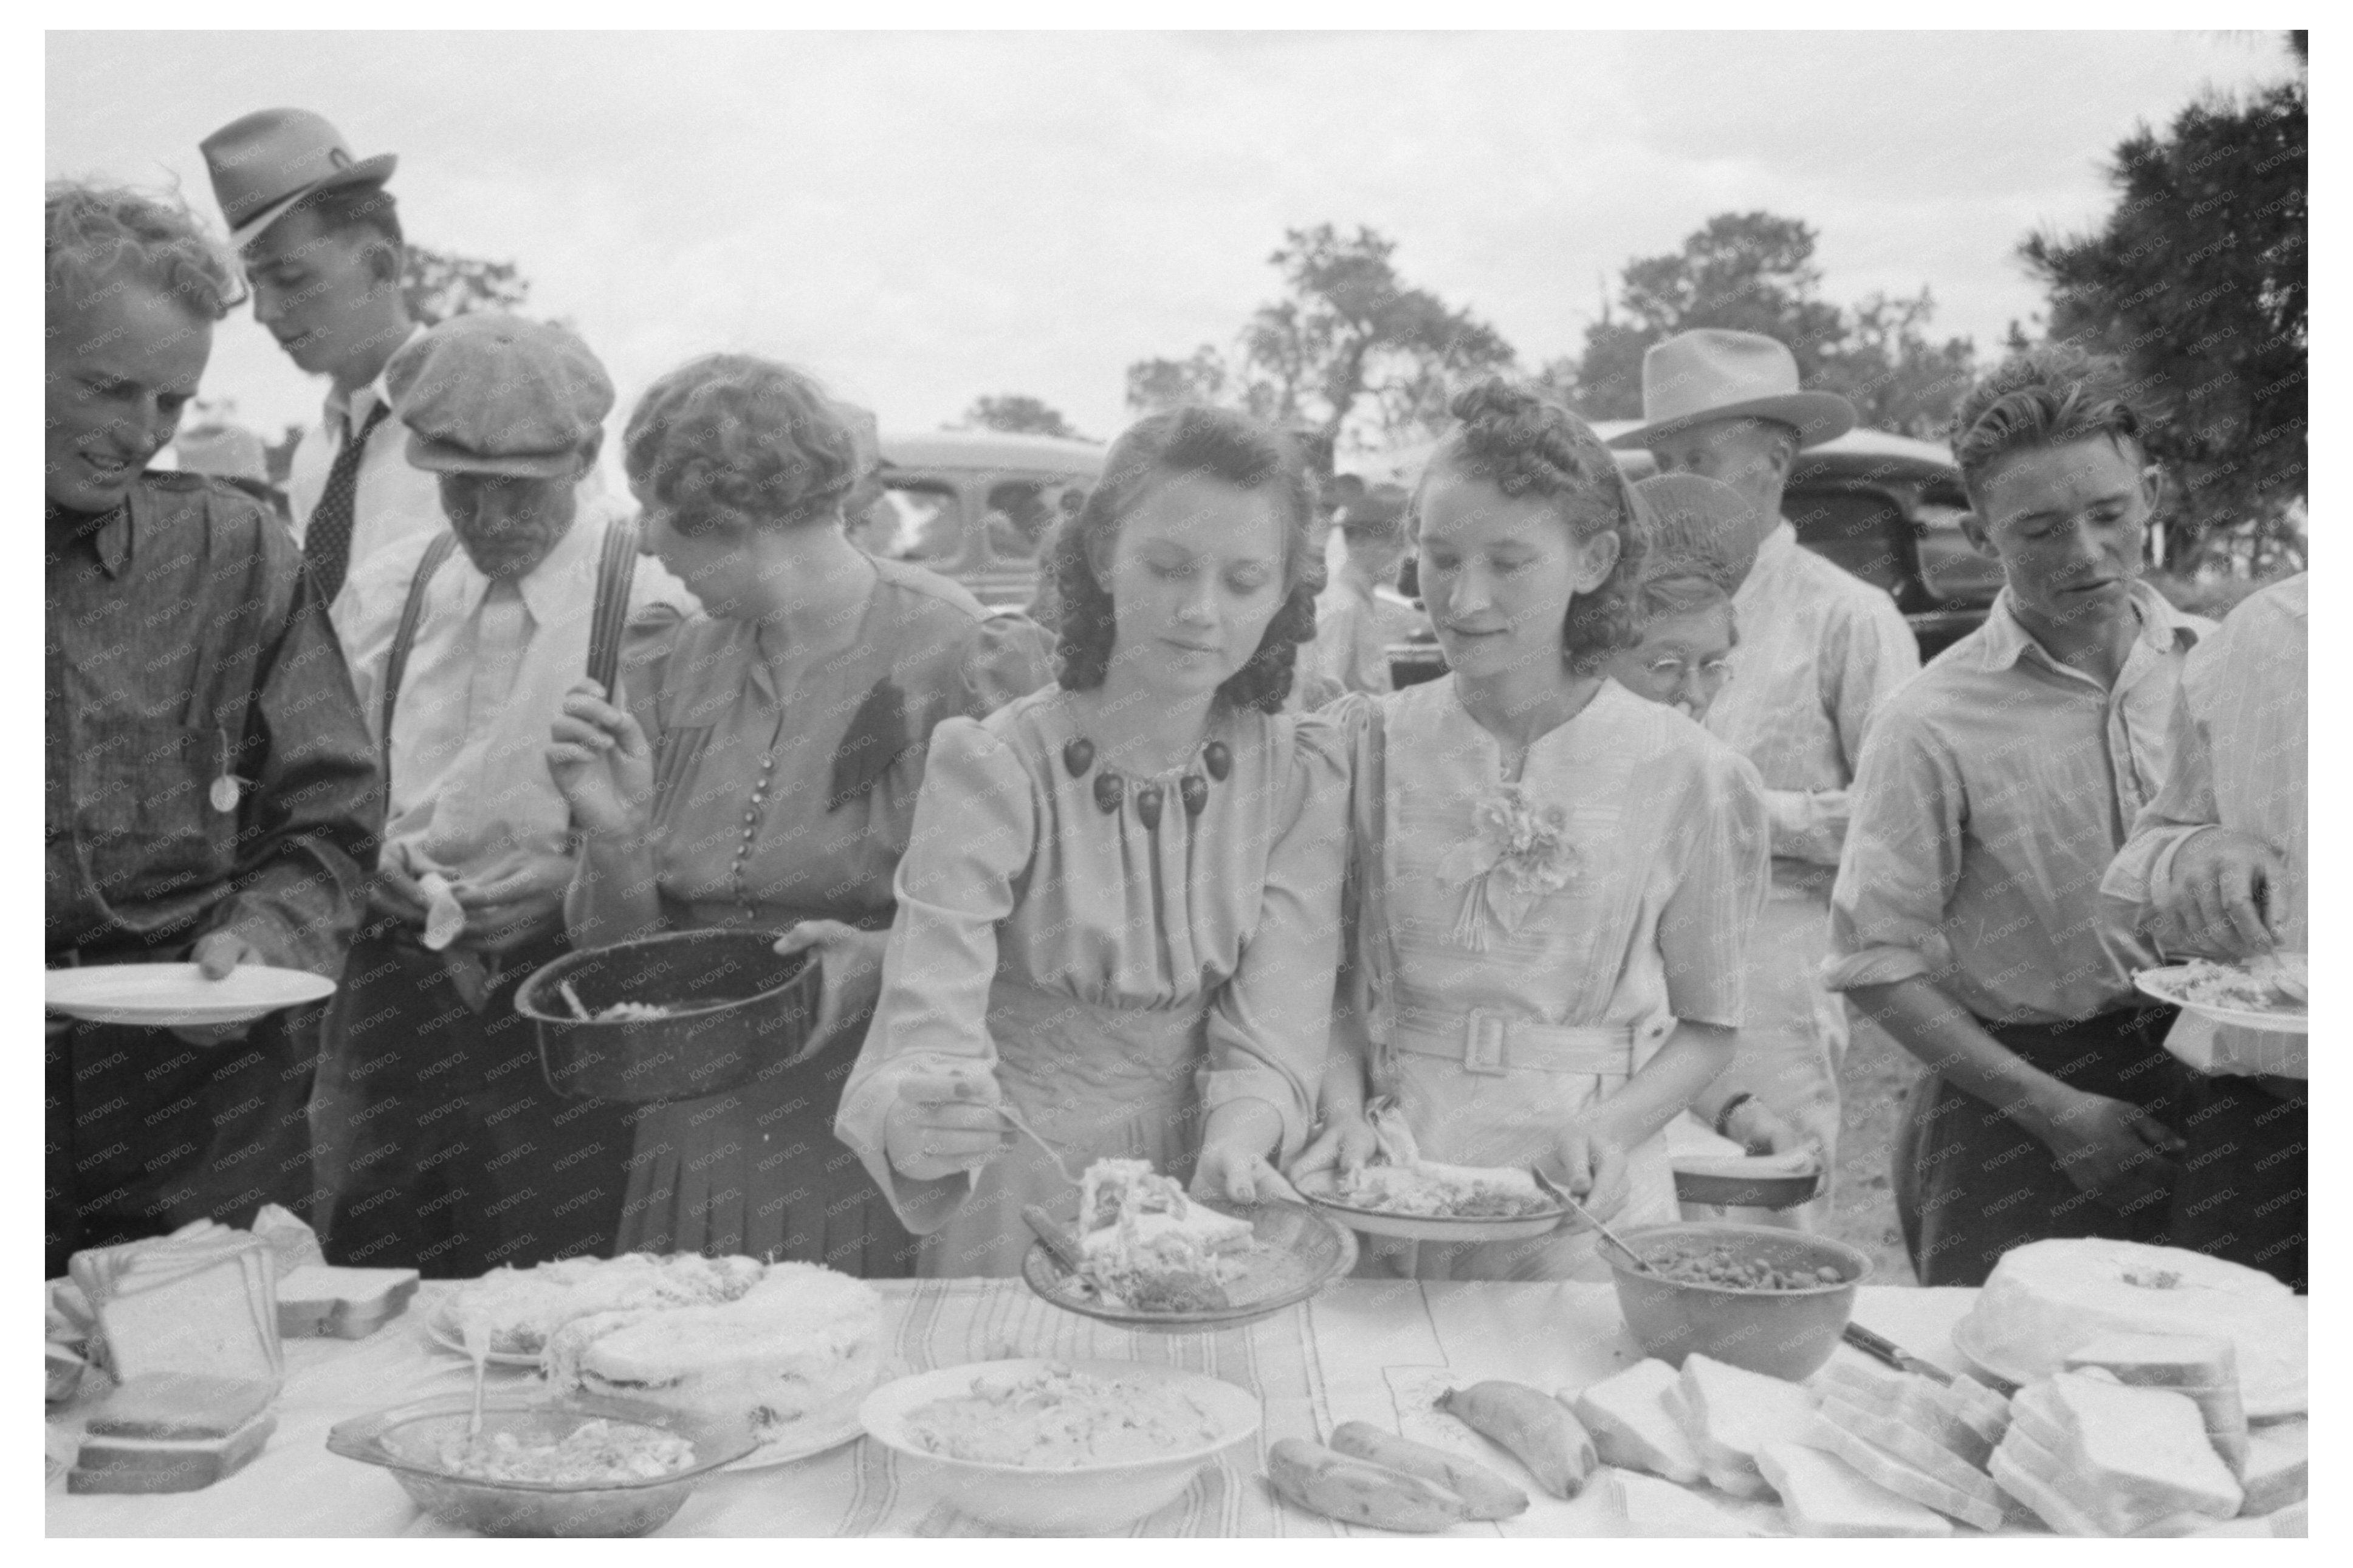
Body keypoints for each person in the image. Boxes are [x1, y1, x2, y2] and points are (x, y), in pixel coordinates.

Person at [546, 355, 1053, 1275]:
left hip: (869, 1130)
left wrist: (876, 961)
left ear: (740, 524)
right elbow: (615, 961)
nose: (648, 543)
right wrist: (616, 842)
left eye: (661, 511)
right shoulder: (673, 662)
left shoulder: (953, 652)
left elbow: (1040, 933)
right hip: (694, 1134)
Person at [834, 406, 1350, 1277]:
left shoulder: (1297, 771)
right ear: (1105, 555)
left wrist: (1241, 1137)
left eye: (1244, 580)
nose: (1199, 610)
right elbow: (929, 1007)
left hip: (1213, 1180)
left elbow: (1280, 1017)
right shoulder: (995, 762)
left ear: (1284, 594)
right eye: (1167, 567)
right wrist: (922, 1110)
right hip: (1020, 1182)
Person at [1296, 382, 1770, 1281]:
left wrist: (1608, 1131)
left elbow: (1711, 1027)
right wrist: (1343, 1108)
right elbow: (1328, 988)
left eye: (1509, 563)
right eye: (1440, 559)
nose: (1464, 598)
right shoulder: (1370, 744)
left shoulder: (1687, 773)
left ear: (1591, 560)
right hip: (1392, 1178)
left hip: (1581, 1186)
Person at [46, 182, 382, 1279]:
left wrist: (272, 939)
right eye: (107, 388)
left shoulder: (234, 554)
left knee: (212, 1412)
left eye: (170, 405)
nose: (138, 435)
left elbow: (329, 820)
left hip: (203, 1112)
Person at [314, 314, 696, 1276]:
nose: (488, 520)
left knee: (553, 1280)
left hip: (569, 1005)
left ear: (584, 456)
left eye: (517, 490)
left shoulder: (659, 593)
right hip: (397, 1005)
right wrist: (370, 863)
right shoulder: (390, 588)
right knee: (377, 1271)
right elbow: (322, 792)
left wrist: (577, 873)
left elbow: (700, 828)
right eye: (461, 489)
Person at [1827, 345, 2211, 1287]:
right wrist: (2057, 1113)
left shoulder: (2229, 671)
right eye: (2039, 529)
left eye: (2109, 514)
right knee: (1998, 1398)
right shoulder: (1929, 720)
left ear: (2152, 494)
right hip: (2015, 1111)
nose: (2083, 554)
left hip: (2229, 1095)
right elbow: (1876, 963)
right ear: (1979, 531)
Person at [1611, 329, 1919, 1188]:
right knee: (1637, 1197)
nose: (1673, 482)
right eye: (1662, 458)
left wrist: (1734, 807)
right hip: (1625, 955)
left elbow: (1896, 820)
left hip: (1771, 959)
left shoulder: (1849, 618)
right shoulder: (1620, 615)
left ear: (1775, 464)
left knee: (1763, 1195)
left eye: (1699, 456)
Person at [2102, 572, 2306, 1290]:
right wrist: (2193, 851)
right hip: (2266, 1125)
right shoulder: (2262, 634)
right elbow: (2153, 846)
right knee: (2224, 1381)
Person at [1608, 473, 1812, 1167]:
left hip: (1629, 1132)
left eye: (1713, 667)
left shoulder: (1709, 796)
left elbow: (1676, 1021)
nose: (1692, 695)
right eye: (1664, 665)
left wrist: (1733, 1108)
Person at [201, 109, 435, 634]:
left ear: (382, 264)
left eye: (290, 278)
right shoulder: (315, 459)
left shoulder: (482, 421)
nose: (265, 314)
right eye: (256, 285)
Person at [1307, 483, 1420, 696]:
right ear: (1359, 542)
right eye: (1396, 544)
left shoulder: (1358, 601)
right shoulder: (1344, 608)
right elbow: (1322, 698)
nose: (1405, 556)